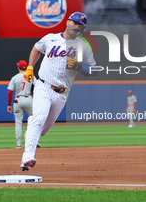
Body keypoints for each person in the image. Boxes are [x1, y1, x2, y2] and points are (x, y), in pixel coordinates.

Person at [19, 12, 96, 171]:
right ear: (67, 22)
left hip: (62, 93)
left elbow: (94, 70)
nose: (77, 27)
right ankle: (27, 156)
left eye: (80, 26)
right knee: (39, 118)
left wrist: (79, 67)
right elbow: (36, 48)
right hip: (44, 86)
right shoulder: (50, 38)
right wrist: (30, 67)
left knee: (44, 130)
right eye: (75, 23)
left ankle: (31, 131)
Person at [7, 60, 37, 149]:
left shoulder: (15, 77)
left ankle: (18, 144)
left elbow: (10, 92)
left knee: (18, 123)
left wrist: (9, 104)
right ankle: (34, 141)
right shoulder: (30, 76)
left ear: (18, 67)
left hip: (18, 100)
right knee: (34, 121)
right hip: (28, 99)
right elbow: (38, 86)